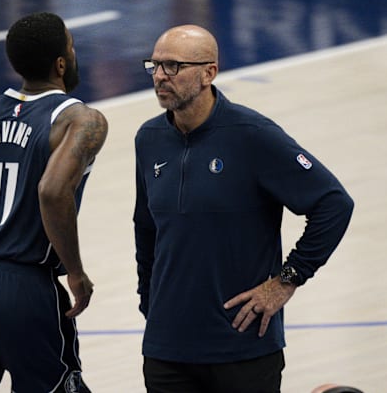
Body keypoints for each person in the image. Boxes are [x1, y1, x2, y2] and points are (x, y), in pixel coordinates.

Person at [133, 25, 354, 392]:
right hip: (167, 351)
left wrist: (288, 279)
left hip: (242, 347)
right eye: (154, 65)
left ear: (209, 73)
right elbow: (146, 229)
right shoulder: (149, 138)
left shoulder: (252, 135)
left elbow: (333, 203)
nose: (159, 76)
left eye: (173, 66)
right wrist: (149, 302)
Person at [0, 12, 108, 393]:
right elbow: (51, 191)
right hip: (25, 288)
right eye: (72, 47)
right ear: (61, 63)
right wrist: (76, 272)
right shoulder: (81, 119)